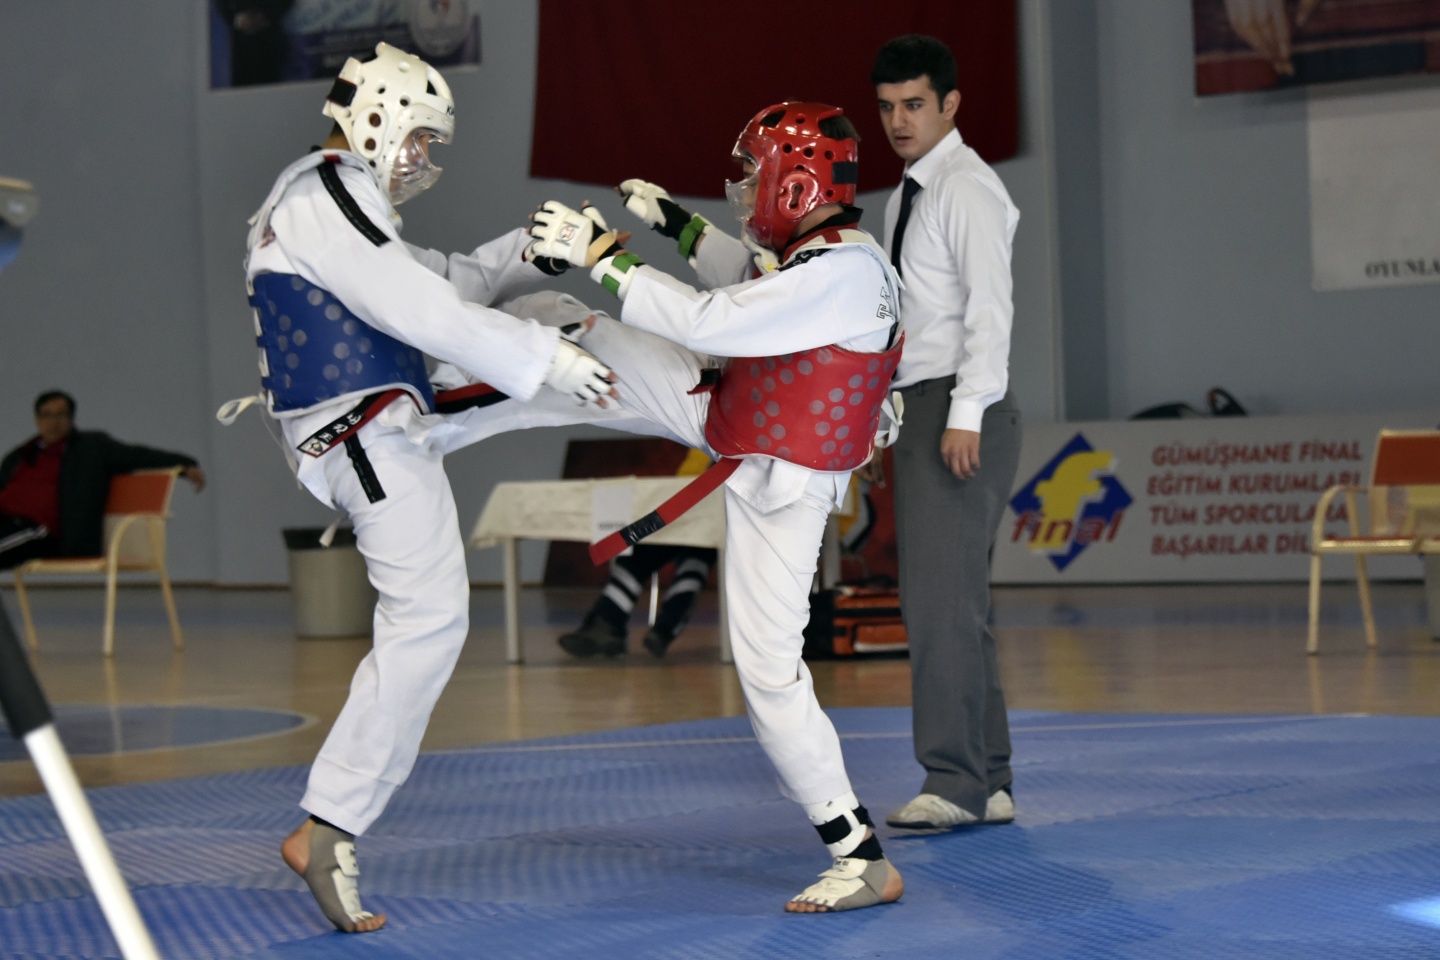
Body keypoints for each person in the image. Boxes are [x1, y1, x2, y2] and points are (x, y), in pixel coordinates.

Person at [233, 42, 616, 933]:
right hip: (364, 432)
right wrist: (538, 356)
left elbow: (440, 281)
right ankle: (329, 825)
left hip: (393, 420)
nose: (419, 160)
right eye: (416, 139)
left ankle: (708, 392)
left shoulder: (341, 203)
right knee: (432, 614)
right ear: (376, 116)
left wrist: (526, 253)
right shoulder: (324, 191)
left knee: (562, 328)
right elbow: (416, 307)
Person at [518, 101, 907, 913]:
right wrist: (677, 226)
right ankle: (436, 397)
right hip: (731, 424)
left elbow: (713, 318)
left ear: (795, 188)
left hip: (776, 477)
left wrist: (603, 256)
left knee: (769, 673)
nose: (744, 194)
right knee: (574, 339)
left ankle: (861, 857)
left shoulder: (843, 273)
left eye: (755, 178)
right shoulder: (827, 258)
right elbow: (748, 281)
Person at [870, 36, 1024, 831]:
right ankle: (988, 780)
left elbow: (989, 310)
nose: (899, 120)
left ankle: (954, 782)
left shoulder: (964, 187)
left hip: (960, 408)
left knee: (937, 607)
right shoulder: (907, 195)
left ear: (950, 104)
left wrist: (965, 413)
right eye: (887, 107)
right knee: (956, 605)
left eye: (915, 105)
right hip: (921, 406)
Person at [0, 391, 204, 570]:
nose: (53, 423)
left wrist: (184, 465)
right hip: (6, 522)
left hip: (42, 531)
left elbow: (136, 456)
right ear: (37, 420)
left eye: (61, 415)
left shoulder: (91, 449)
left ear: (71, 419)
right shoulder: (21, 455)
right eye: (47, 415)